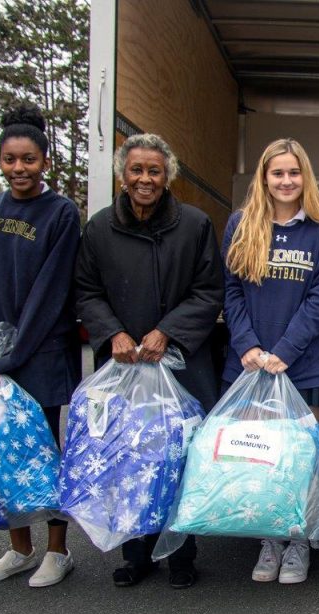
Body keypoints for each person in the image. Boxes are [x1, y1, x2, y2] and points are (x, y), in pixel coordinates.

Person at [75, 133, 223, 589]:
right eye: (136, 170)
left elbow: (209, 291)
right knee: (127, 459)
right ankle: (136, 553)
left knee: (178, 458)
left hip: (181, 364)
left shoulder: (195, 225)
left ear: (167, 176)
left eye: (154, 171)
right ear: (123, 174)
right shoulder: (99, 228)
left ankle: (182, 554)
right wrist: (113, 333)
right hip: (124, 366)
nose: (145, 179)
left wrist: (168, 331)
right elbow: (85, 290)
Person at [0, 104, 81, 587]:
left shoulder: (61, 213)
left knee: (43, 454)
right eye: (9, 160)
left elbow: (51, 296)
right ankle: (18, 548)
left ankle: (57, 550)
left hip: (38, 359)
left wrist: (10, 357)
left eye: (28, 159)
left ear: (44, 160)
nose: (19, 168)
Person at [222, 138, 319, 584]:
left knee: (300, 459)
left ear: (305, 176)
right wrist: (248, 347)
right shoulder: (241, 225)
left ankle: (298, 541)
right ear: (264, 177)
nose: (286, 181)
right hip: (251, 366)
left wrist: (284, 352)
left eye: (294, 172)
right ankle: (269, 539)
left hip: (304, 367)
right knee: (261, 458)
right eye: (277, 173)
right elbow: (232, 291)